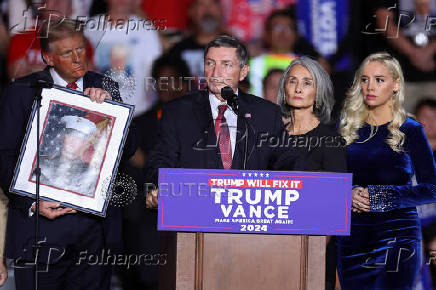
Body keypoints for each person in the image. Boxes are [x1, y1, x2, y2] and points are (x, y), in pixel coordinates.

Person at [0, 18, 134, 290]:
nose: (77, 58)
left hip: (92, 231)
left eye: (81, 49)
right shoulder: (22, 91)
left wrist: (109, 112)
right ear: (48, 57)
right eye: (66, 53)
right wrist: (31, 202)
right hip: (38, 228)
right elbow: (4, 157)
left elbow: (129, 151)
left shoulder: (106, 86)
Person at [145, 35, 299, 207]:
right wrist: (159, 187)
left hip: (250, 220)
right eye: (210, 63)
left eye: (226, 64)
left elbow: (287, 165)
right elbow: (161, 159)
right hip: (194, 214)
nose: (216, 73)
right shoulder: (177, 112)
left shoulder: (266, 114)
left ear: (243, 72)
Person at [336, 52, 436, 289]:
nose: (370, 86)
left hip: (397, 236)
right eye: (365, 79)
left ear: (396, 84)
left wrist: (382, 197)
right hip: (353, 236)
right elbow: (332, 177)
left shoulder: (411, 130)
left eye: (379, 80)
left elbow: (432, 188)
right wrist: (347, 192)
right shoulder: (346, 128)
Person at [277, 56, 347, 290]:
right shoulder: (271, 138)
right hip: (272, 249)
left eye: (307, 82)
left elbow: (336, 206)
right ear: (284, 88)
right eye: (292, 81)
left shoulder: (330, 140)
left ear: (319, 92)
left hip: (315, 253)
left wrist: (310, 253)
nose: (298, 88)